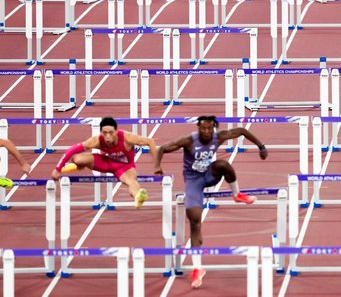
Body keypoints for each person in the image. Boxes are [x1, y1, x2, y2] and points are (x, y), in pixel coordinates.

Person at [153, 115, 268, 289]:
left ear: (213, 128)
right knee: (194, 220)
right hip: (193, 181)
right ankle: (198, 268)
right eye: (202, 129)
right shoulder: (188, 141)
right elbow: (161, 148)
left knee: (223, 164)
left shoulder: (218, 137)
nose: (206, 132)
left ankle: (237, 194)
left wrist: (261, 146)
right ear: (198, 128)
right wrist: (157, 166)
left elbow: (242, 131)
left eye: (209, 129)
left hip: (209, 175)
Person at [51, 117, 157, 208]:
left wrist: (157, 166)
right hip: (106, 162)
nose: (107, 136)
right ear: (101, 132)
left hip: (124, 167)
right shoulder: (97, 140)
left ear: (116, 131)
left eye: (110, 133)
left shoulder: (127, 138)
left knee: (131, 182)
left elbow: (150, 141)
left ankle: (138, 196)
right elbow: (72, 150)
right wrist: (58, 169)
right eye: (104, 133)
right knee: (77, 158)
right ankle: (80, 166)